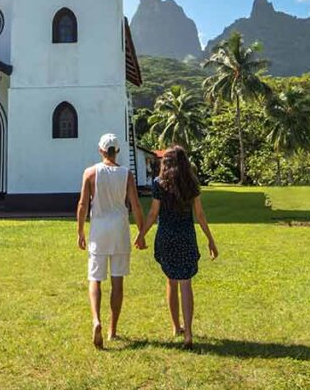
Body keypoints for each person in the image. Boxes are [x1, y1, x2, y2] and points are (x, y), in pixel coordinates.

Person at [135, 145, 218, 349]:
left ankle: (175, 327)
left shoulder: (159, 183)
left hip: (167, 236)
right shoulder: (191, 184)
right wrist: (210, 238)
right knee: (186, 283)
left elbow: (154, 214)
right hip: (186, 236)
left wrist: (141, 233)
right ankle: (188, 333)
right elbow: (200, 214)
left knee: (171, 281)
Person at [77, 132, 145, 349]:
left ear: (101, 150)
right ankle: (112, 330)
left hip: (99, 228)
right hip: (120, 229)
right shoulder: (126, 174)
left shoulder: (90, 173)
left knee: (95, 278)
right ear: (117, 151)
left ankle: (96, 319)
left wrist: (80, 231)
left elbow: (82, 205)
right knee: (117, 281)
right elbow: (135, 205)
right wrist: (141, 232)